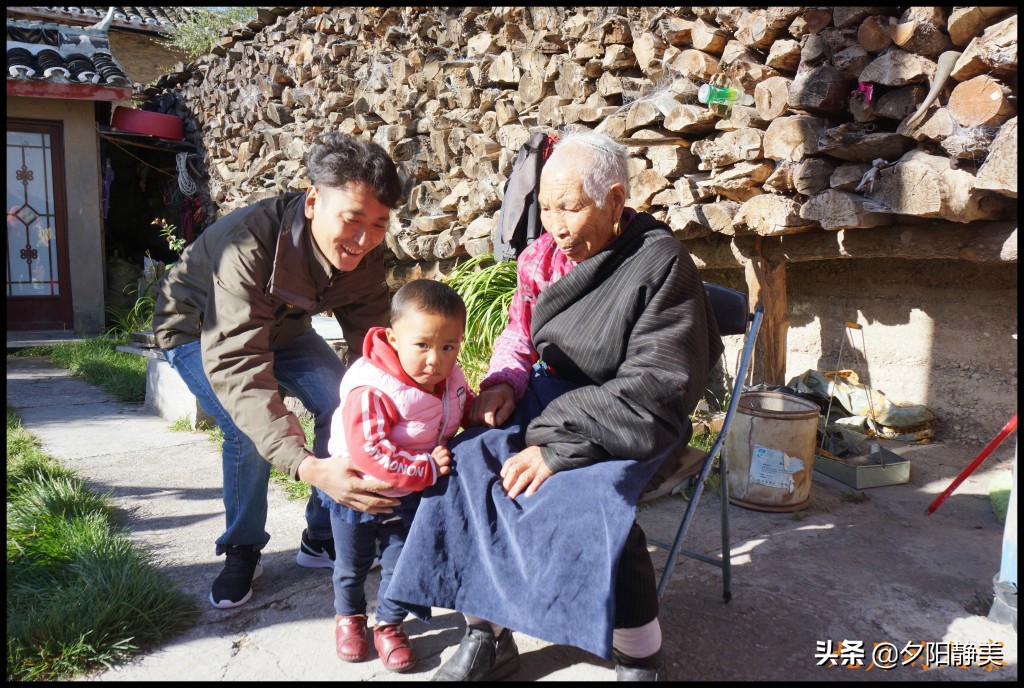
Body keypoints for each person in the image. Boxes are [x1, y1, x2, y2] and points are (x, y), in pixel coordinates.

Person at [386, 130, 724, 682]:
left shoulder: (661, 263)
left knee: (589, 498)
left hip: (627, 416)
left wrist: (556, 450)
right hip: (546, 400)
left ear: (615, 201)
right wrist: (503, 383)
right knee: (465, 465)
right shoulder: (540, 258)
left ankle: (640, 655)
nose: (557, 226)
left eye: (570, 207)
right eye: (546, 208)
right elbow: (520, 337)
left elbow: (659, 383)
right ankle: (487, 634)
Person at [151, 133, 406, 610]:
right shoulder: (247, 244)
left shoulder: (365, 251)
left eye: (378, 225)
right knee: (245, 429)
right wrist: (307, 466)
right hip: (198, 329)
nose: (364, 239)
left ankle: (321, 536)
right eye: (352, 219)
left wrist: (413, 396)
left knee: (343, 401)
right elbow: (238, 364)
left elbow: (373, 338)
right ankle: (242, 549)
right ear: (313, 201)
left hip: (284, 329)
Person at [322, 279, 472, 673]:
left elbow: (457, 408)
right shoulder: (374, 386)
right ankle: (349, 617)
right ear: (393, 338)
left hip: (408, 497)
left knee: (400, 564)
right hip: (358, 494)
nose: (435, 360)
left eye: (448, 347)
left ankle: (389, 624)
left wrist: (477, 411)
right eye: (421, 345)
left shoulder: (451, 380)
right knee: (352, 565)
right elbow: (369, 451)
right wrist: (426, 468)